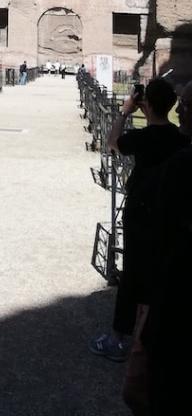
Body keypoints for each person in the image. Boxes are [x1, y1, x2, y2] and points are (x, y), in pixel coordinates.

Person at [89, 78, 187, 363]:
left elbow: (112, 143)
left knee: (132, 274)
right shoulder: (181, 138)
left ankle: (118, 339)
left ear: (147, 104)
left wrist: (124, 112)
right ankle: (152, 336)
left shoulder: (143, 139)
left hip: (141, 211)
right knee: (161, 271)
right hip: (168, 213)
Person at [134, 80, 192, 416]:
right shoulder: (180, 152)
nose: (180, 109)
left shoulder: (182, 165)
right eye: (179, 102)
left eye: (187, 105)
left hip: (174, 286)